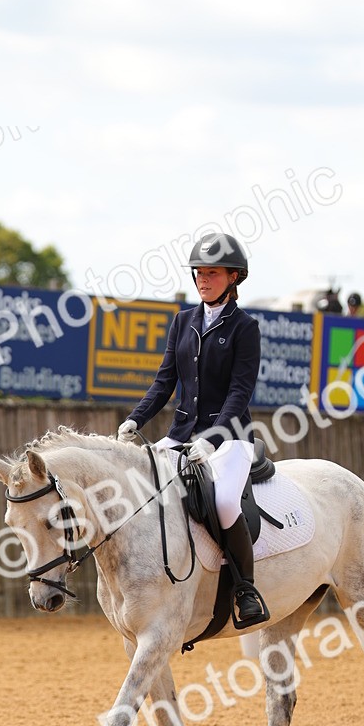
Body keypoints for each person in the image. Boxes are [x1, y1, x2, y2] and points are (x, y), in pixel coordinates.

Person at [117, 232, 269, 627]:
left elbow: (240, 392)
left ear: (234, 277)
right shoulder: (183, 321)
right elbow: (164, 382)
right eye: (198, 273)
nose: (203, 279)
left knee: (223, 504)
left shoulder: (245, 328)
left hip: (230, 437)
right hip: (181, 434)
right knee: (140, 490)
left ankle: (245, 589)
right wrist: (136, 418)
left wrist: (213, 438)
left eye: (213, 273)